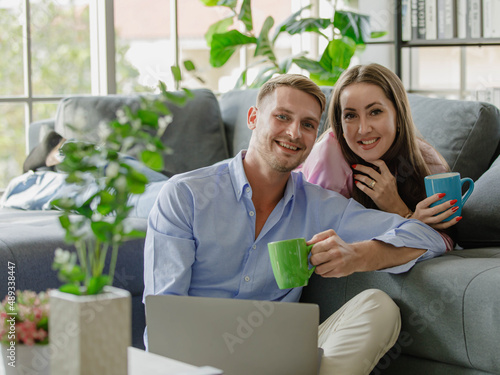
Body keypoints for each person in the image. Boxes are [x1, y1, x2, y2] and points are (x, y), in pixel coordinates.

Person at [143, 74, 446, 374]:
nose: (293, 133)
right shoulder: (187, 196)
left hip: (277, 361)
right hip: (194, 363)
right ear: (253, 118)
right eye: (282, 117)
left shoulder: (319, 206)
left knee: (378, 308)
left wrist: (357, 256)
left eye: (308, 125)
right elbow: (163, 316)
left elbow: (431, 238)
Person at [298, 63, 457, 251]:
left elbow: (446, 242)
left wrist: (399, 210)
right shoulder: (330, 155)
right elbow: (319, 240)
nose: (363, 129)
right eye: (350, 115)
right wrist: (410, 223)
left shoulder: (423, 157)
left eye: (375, 112)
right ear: (340, 122)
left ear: (398, 116)